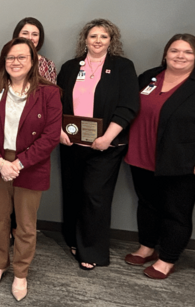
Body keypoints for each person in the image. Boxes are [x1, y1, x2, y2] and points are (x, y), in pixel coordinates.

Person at [124, 34, 195, 279]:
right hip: (141, 157)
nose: (180, 56)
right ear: (166, 53)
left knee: (176, 212)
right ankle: (147, 247)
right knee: (147, 205)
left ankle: (167, 259)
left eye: (188, 52)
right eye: (174, 50)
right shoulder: (149, 77)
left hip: (182, 163)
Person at [0, 38, 61, 301]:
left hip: (30, 165)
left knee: (25, 225)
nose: (15, 62)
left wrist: (19, 163)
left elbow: (50, 136)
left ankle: (21, 273)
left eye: (22, 57)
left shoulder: (49, 93)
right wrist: (0, 162)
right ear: (4, 61)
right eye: (10, 57)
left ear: (33, 60)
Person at [56, 18, 139, 270]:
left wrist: (108, 137)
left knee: (95, 196)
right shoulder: (70, 67)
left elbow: (128, 105)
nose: (98, 41)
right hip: (71, 143)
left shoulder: (122, 67)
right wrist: (59, 130)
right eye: (93, 36)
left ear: (111, 40)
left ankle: (91, 250)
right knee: (72, 193)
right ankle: (73, 239)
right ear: (85, 39)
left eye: (103, 36)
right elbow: (56, 102)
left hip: (105, 145)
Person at [13, 17, 57, 83]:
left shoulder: (48, 65)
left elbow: (52, 89)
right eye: (25, 33)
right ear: (17, 35)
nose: (30, 38)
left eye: (34, 34)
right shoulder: (6, 62)